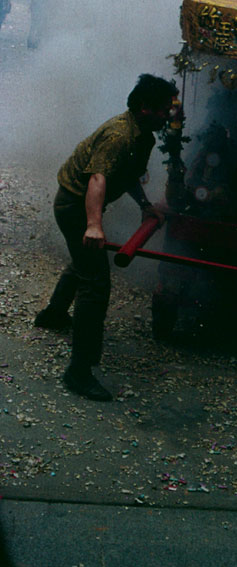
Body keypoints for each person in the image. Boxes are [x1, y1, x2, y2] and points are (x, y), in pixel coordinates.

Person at [34, 74, 178, 401]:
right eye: (164, 109)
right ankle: (79, 372)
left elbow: (124, 175)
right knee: (96, 284)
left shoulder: (142, 135)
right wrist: (94, 224)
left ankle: (53, 315)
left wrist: (145, 205)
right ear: (145, 108)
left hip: (81, 205)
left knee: (84, 263)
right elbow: (98, 178)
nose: (169, 115)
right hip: (74, 205)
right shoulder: (119, 135)